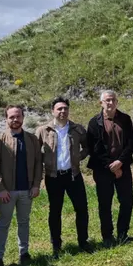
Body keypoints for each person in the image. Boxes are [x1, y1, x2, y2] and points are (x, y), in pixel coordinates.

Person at [35, 97, 90, 256]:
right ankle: (56, 245)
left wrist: (78, 157)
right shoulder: (43, 131)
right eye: (59, 109)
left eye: (65, 108)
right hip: (53, 177)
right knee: (55, 211)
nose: (62, 111)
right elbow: (36, 154)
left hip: (73, 175)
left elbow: (87, 147)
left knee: (82, 209)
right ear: (52, 111)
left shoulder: (77, 129)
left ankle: (83, 242)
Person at [0, 105, 42, 266]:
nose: (15, 120)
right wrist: (0, 188)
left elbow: (37, 164)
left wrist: (35, 185)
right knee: (3, 224)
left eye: (18, 116)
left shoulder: (32, 139)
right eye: (11, 117)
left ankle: (24, 253)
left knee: (24, 222)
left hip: (27, 190)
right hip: (7, 191)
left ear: (23, 118)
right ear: (6, 119)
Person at [86, 90, 133, 246]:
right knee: (105, 203)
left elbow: (130, 143)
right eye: (107, 100)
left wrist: (120, 162)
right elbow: (95, 149)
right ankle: (107, 236)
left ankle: (123, 234)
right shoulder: (94, 122)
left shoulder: (125, 119)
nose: (110, 102)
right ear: (101, 103)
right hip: (103, 170)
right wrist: (111, 166)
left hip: (123, 167)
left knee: (127, 200)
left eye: (113, 99)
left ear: (117, 102)